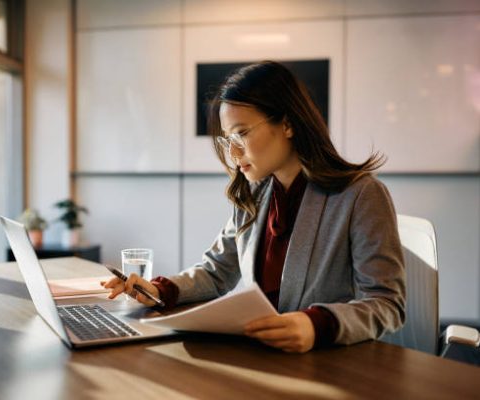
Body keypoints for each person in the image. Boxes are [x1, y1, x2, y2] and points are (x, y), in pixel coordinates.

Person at [102, 61, 405, 353]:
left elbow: (386, 303)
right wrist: (157, 291)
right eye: (227, 139)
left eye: (242, 134)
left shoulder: (361, 195)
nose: (233, 152)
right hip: (263, 355)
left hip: (332, 363)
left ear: (287, 124)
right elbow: (216, 272)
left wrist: (316, 325)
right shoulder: (255, 193)